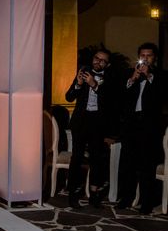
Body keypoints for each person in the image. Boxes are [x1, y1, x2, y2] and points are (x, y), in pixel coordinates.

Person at [117, 42, 167, 214]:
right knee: (128, 164)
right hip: (131, 125)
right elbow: (120, 99)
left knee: (147, 166)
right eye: (142, 56)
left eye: (149, 56)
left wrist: (150, 77)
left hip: (149, 127)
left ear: (154, 58)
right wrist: (132, 80)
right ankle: (125, 198)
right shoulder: (130, 75)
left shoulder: (161, 76)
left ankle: (146, 203)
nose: (145, 59)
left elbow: (162, 98)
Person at [64, 49, 116, 208]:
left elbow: (111, 102)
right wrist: (79, 84)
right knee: (77, 158)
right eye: (96, 58)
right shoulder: (83, 71)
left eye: (102, 60)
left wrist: (95, 85)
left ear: (107, 64)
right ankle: (73, 194)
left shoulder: (110, 78)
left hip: (98, 122)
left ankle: (94, 193)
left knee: (96, 158)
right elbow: (69, 97)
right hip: (81, 121)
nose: (98, 62)